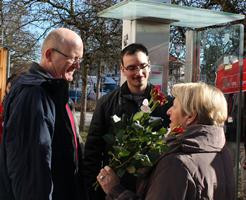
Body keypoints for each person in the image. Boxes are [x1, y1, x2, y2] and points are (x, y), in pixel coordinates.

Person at [97, 82, 235, 200]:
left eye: (174, 106)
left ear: (190, 116)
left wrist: (115, 191)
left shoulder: (177, 163)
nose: (168, 111)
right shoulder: (223, 153)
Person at [0, 28, 87, 200]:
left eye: (80, 59)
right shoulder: (34, 95)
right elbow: (30, 168)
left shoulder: (53, 91)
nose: (78, 65)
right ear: (49, 55)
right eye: (73, 58)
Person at [83, 43, 172, 199]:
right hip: (116, 190)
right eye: (131, 68)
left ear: (149, 66)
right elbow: (93, 152)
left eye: (143, 66)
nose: (139, 73)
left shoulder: (168, 104)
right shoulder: (106, 104)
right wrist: (94, 192)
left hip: (155, 187)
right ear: (122, 70)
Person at [0, 75, 16, 144]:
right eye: (9, 88)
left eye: (13, 88)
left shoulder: (19, 103)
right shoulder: (4, 102)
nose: (10, 91)